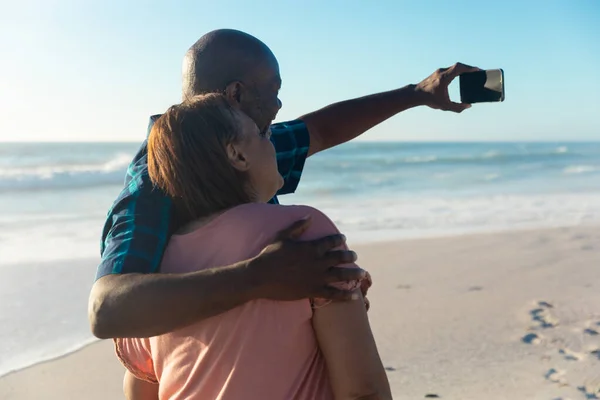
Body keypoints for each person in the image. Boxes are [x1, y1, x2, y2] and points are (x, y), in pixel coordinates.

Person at [88, 29, 477, 342]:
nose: (278, 106)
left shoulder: (250, 146)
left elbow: (320, 130)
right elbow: (106, 310)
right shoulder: (155, 180)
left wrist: (416, 94)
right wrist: (258, 277)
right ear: (236, 94)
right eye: (273, 91)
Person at [116, 93, 392, 399]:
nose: (271, 143)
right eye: (263, 133)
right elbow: (364, 391)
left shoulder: (149, 268)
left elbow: (140, 389)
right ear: (238, 155)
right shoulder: (301, 230)